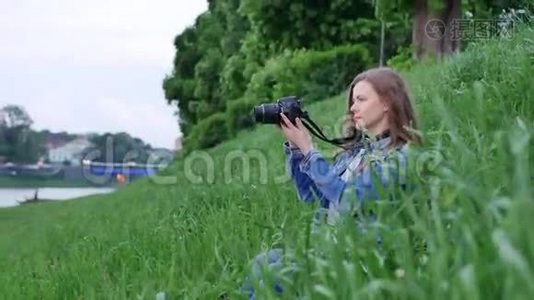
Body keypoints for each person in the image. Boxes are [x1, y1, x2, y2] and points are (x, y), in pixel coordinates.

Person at [243, 67, 421, 299]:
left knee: (276, 276)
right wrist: (297, 149)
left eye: (361, 99)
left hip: (359, 259)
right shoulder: (354, 154)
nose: (352, 107)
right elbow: (311, 195)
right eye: (352, 100)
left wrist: (309, 150)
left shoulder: (400, 157)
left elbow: (349, 199)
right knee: (263, 263)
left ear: (387, 102)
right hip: (325, 249)